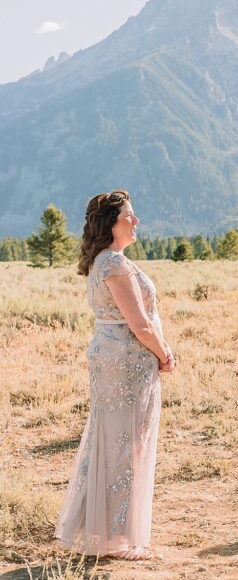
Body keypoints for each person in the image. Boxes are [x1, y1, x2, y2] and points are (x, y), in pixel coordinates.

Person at [54, 190, 175, 561]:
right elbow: (139, 323)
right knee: (126, 444)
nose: (136, 221)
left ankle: (101, 529)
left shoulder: (102, 262)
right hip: (127, 365)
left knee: (109, 441)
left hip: (112, 360)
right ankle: (117, 537)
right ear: (111, 224)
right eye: (129, 216)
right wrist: (165, 352)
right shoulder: (116, 265)